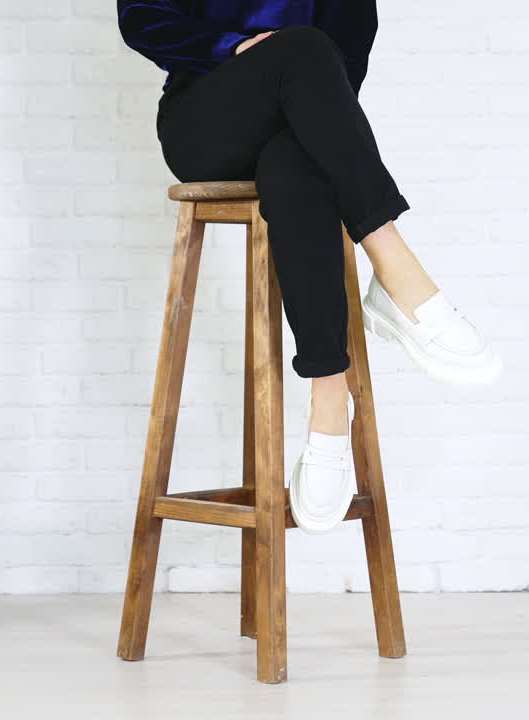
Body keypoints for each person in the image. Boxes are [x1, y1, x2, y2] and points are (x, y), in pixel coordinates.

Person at [118, 1, 503, 534]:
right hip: (206, 114)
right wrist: (231, 48)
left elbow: (351, 37)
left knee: (298, 163)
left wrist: (313, 104)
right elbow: (141, 16)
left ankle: (328, 403)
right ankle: (395, 270)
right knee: (301, 47)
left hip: (298, 112)